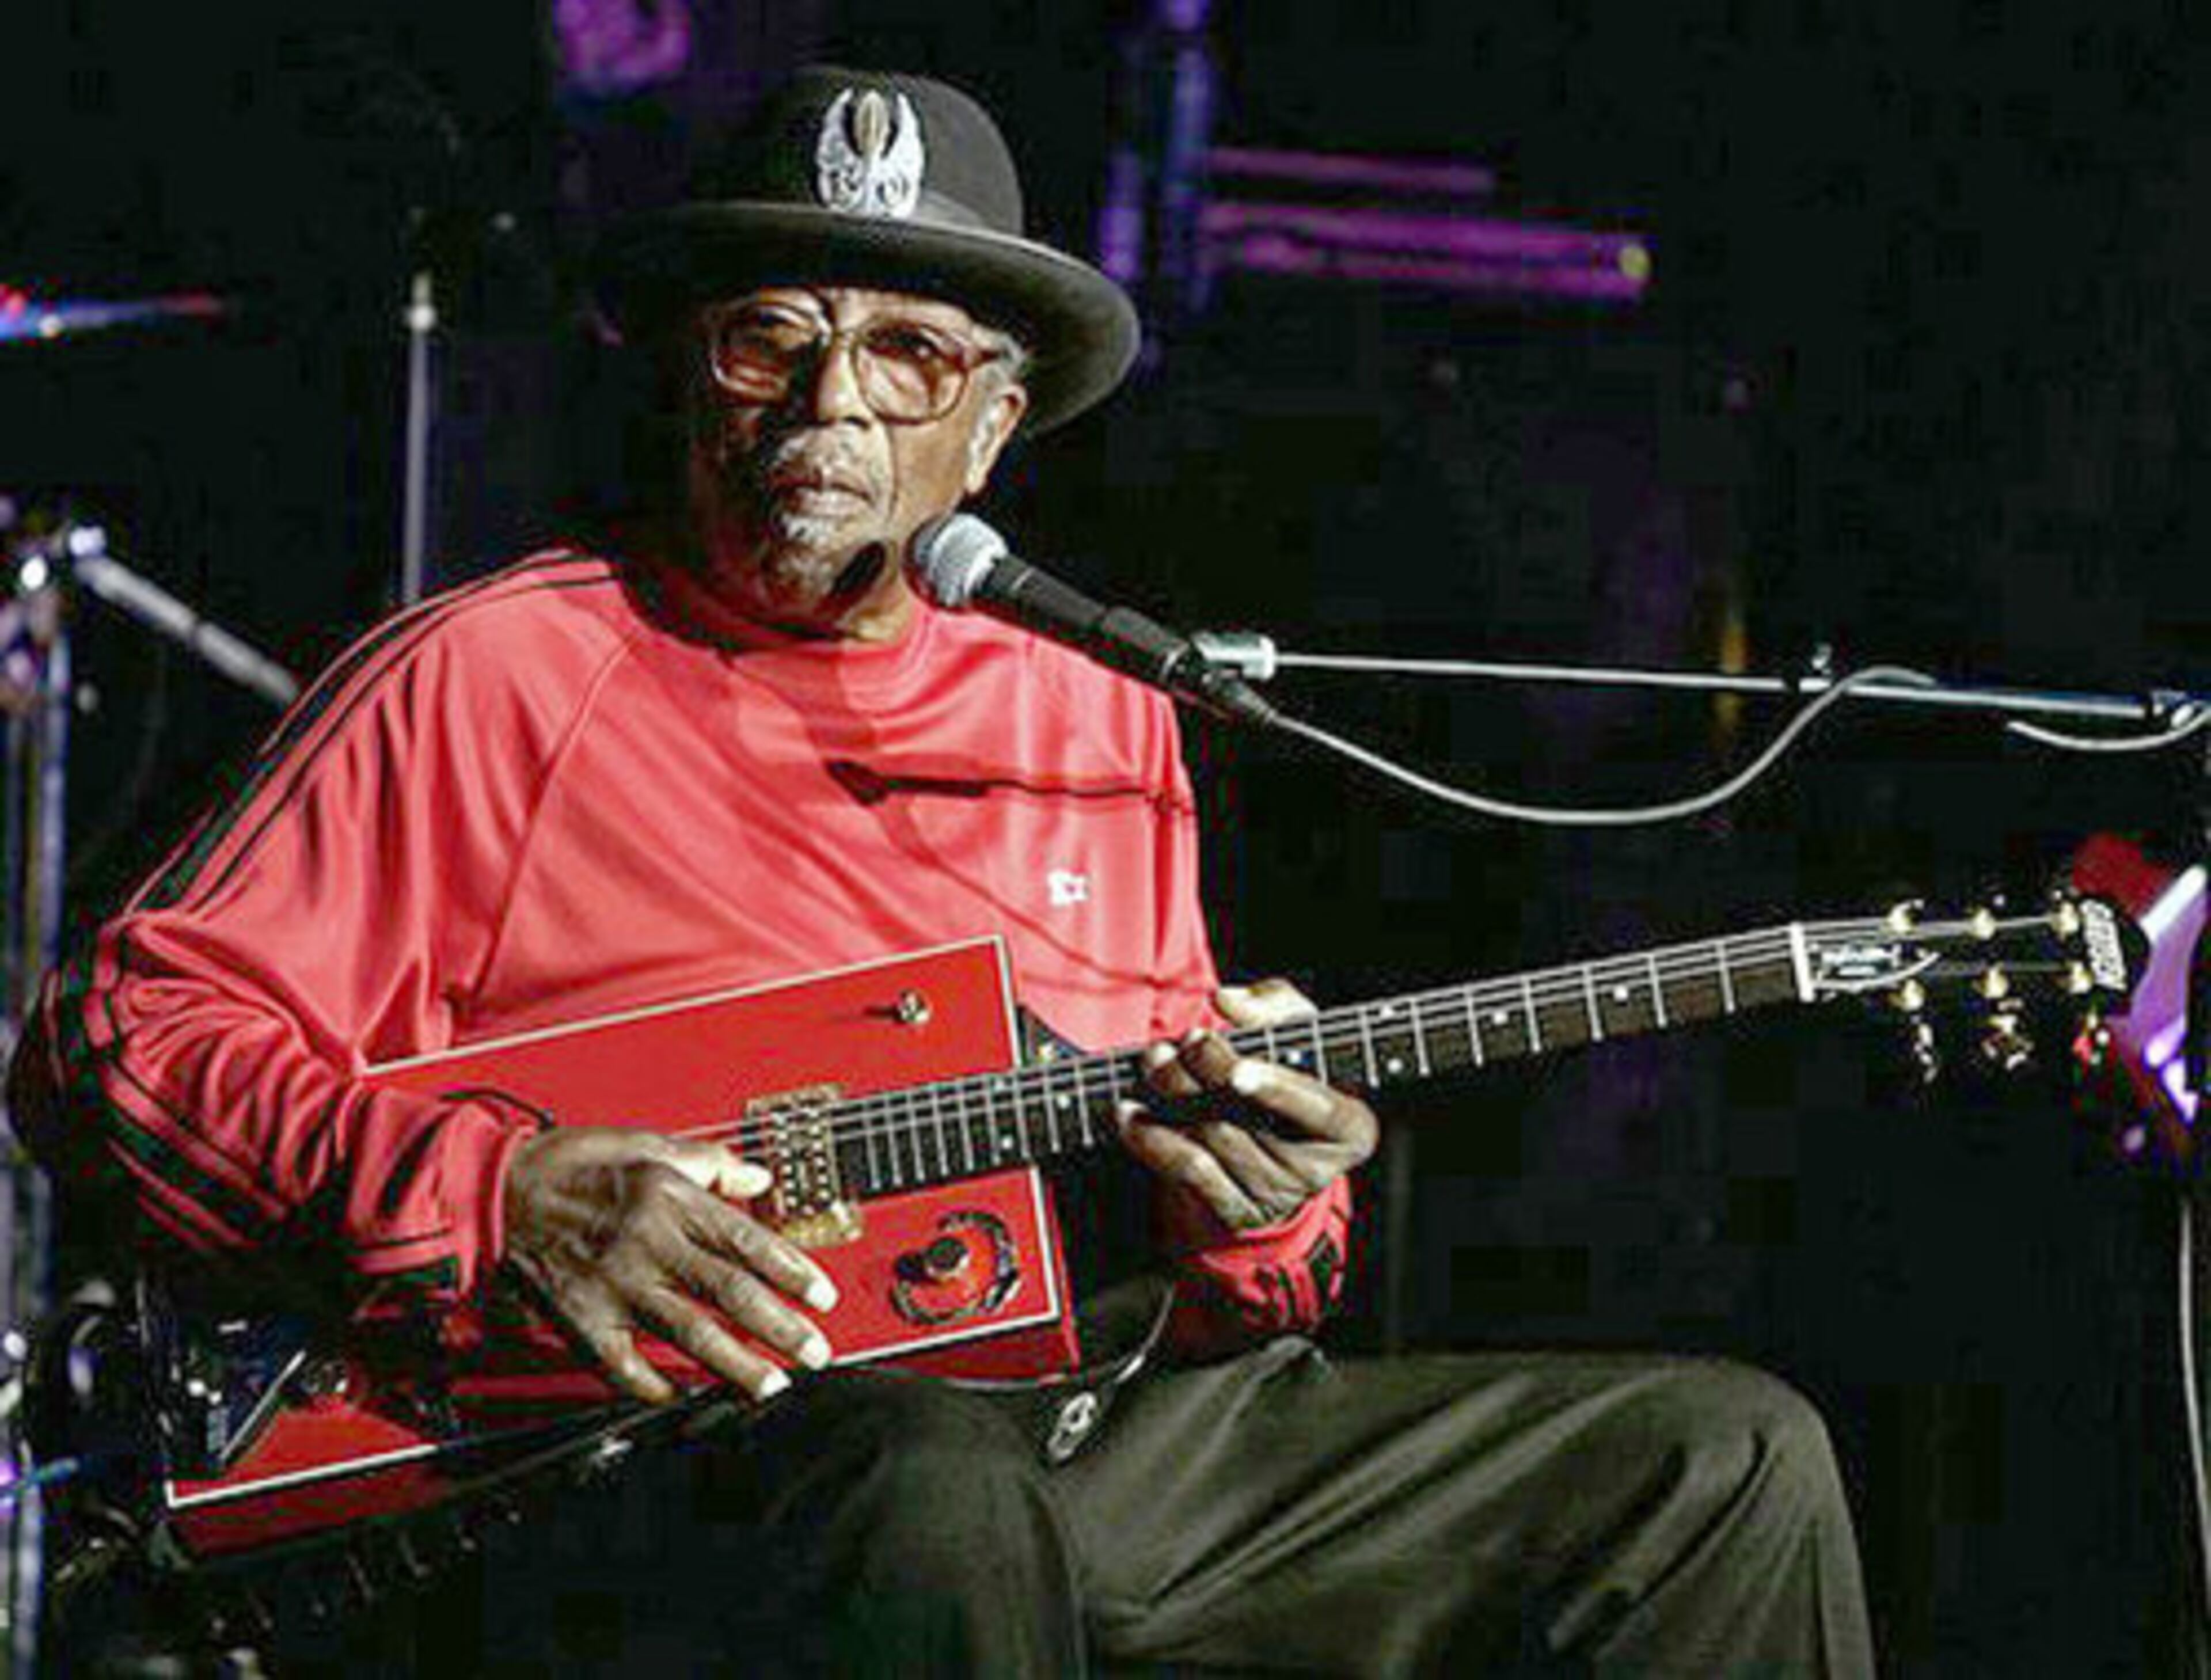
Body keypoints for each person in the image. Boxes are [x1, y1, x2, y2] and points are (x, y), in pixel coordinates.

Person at [10, 66, 1875, 1677]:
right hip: (651, 1458)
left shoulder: (1096, 708)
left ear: (990, 430)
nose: (837, 405)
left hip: (1092, 1421)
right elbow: (117, 1037)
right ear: (690, 378)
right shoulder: (497, 673)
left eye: (908, 355)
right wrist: (494, 1194)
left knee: (1723, 1464)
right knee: (928, 1483)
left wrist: (1252, 1205)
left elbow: (1244, 1273)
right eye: (775, 339)